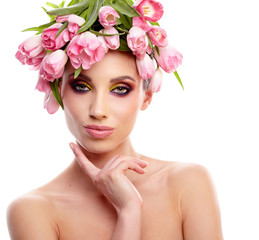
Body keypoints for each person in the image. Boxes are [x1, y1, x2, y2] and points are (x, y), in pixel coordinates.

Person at [7, 0, 223, 239]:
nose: (98, 110)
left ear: (146, 97)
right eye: (81, 86)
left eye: (120, 89)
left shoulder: (187, 184)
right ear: (57, 91)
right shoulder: (33, 211)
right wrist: (129, 212)